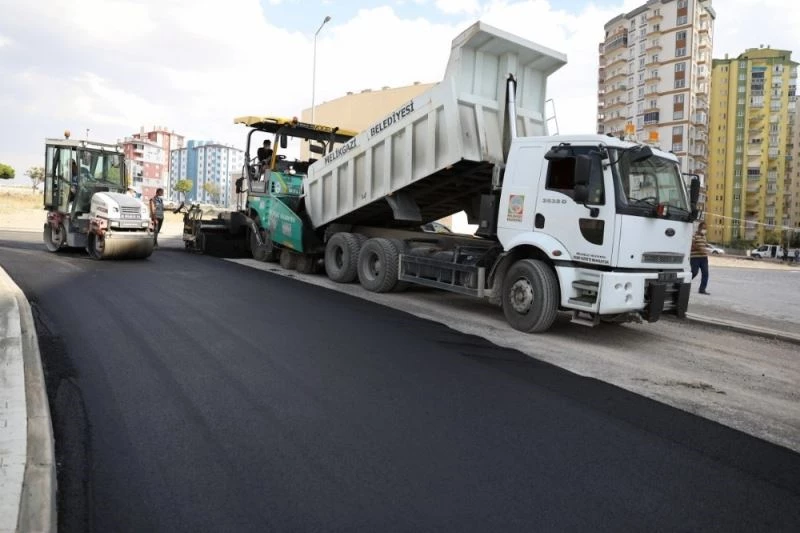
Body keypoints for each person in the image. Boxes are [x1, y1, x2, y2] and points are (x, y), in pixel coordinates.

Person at [690, 221, 710, 295]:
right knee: (694, 272)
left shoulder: (704, 236)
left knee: (706, 273)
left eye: (705, 228)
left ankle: (702, 289)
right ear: (699, 228)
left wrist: (709, 247)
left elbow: (705, 244)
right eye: (703, 228)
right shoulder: (694, 235)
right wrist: (700, 249)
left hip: (704, 257)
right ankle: (684, 282)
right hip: (695, 257)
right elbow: (692, 245)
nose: (704, 230)